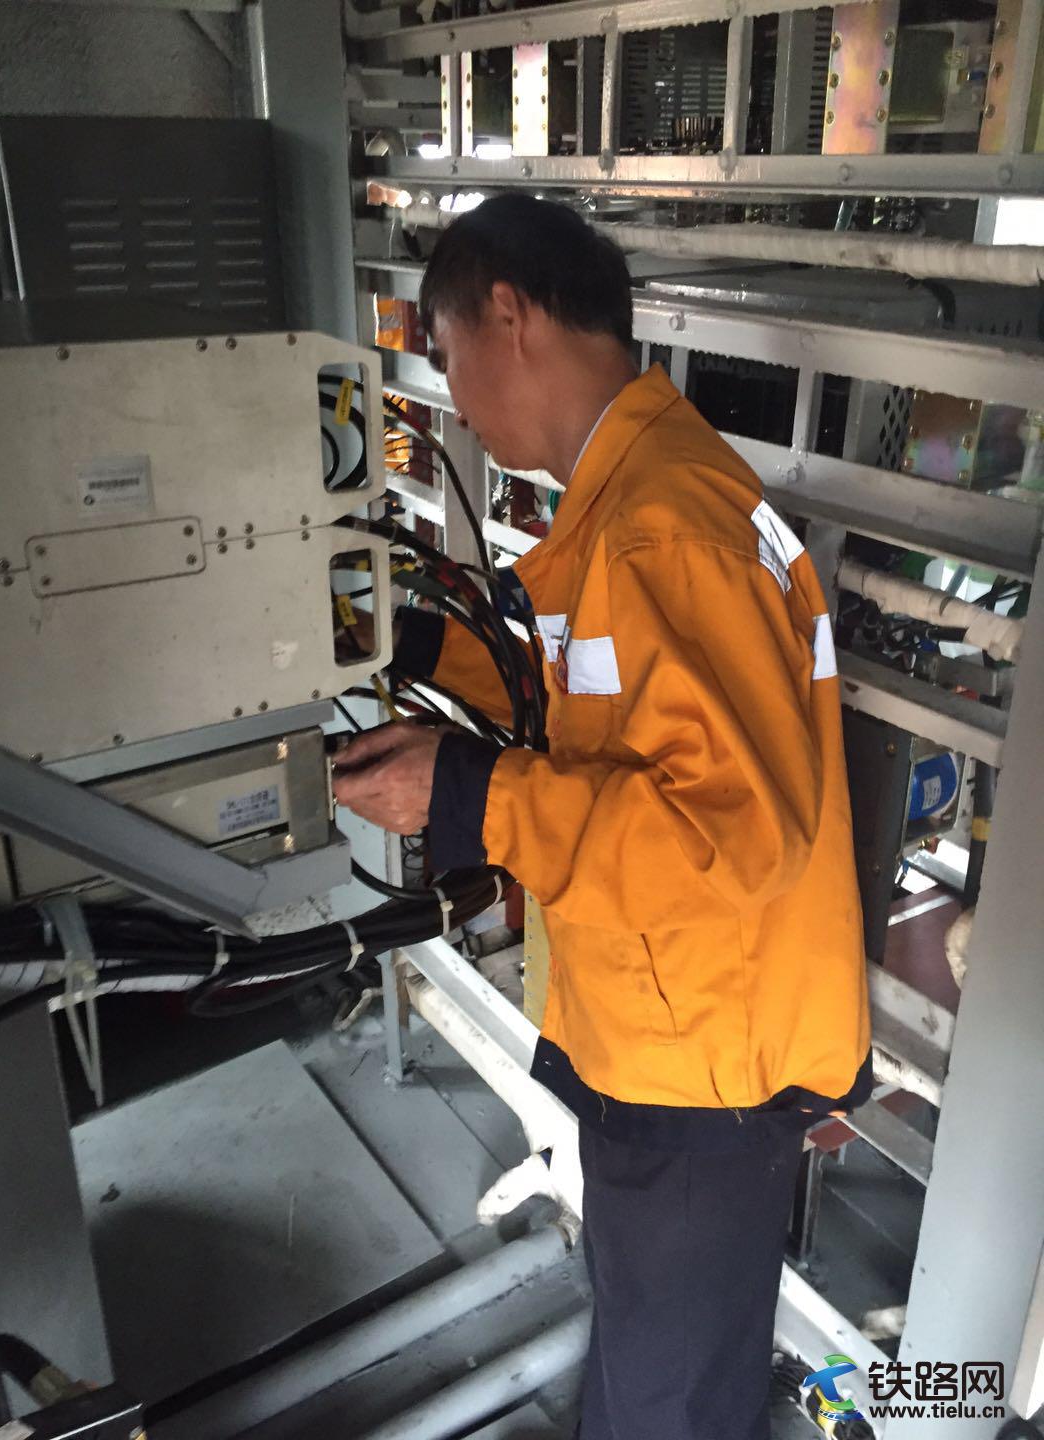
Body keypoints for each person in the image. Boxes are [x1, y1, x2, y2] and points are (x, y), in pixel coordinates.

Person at [332, 193, 872, 1440]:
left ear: (508, 315)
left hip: (704, 1068)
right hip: (680, 1038)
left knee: (668, 1395)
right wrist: (415, 641)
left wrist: (464, 794)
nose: (454, 398)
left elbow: (730, 835)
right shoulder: (641, 500)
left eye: (447, 353)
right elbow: (590, 705)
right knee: (650, 1356)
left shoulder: (663, 529)